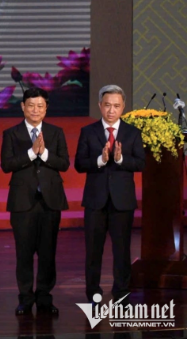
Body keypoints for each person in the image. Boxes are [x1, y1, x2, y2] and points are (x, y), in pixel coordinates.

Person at [0, 87, 69, 315]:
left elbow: (64, 163)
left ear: (46, 108)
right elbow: (6, 165)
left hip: (50, 201)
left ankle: (45, 298)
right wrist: (31, 153)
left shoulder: (56, 132)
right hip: (22, 202)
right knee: (24, 253)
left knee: (48, 253)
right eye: (31, 105)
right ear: (23, 107)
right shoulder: (11, 133)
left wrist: (44, 153)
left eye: (40, 106)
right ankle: (25, 299)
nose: (35, 110)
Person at [75, 84, 145, 305]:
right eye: (107, 105)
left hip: (122, 202)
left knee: (122, 250)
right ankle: (94, 295)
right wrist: (100, 160)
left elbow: (140, 163)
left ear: (123, 107)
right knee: (93, 251)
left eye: (116, 105)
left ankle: (121, 293)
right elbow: (79, 164)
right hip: (95, 201)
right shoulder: (88, 131)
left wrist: (121, 159)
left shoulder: (132, 132)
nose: (111, 110)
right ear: (100, 105)